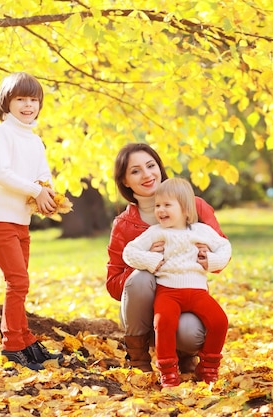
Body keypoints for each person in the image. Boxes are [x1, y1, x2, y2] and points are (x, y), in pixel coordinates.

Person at [106, 143, 228, 375]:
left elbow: (222, 251)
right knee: (141, 278)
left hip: (185, 299)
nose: (147, 175)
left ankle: (185, 356)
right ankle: (138, 358)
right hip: (142, 313)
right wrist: (145, 260)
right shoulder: (123, 224)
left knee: (191, 334)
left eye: (151, 166)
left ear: (160, 168)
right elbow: (113, 285)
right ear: (125, 181)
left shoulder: (195, 205)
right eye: (135, 171)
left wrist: (207, 257)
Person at [0, 72, 64, 371]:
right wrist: (35, 190)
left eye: (33, 100)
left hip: (20, 220)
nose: (28, 105)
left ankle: (25, 340)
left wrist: (48, 195)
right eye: (20, 99)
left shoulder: (35, 140)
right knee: (18, 282)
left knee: (20, 284)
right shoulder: (3, 133)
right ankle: (11, 346)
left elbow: (42, 176)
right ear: (7, 102)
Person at [123, 178, 231, 387]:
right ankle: (168, 370)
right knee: (163, 323)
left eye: (167, 205)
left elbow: (225, 247)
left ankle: (208, 365)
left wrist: (211, 260)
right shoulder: (156, 232)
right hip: (168, 291)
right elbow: (129, 252)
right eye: (157, 206)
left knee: (219, 321)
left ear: (185, 209)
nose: (160, 210)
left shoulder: (201, 231)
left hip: (198, 292)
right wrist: (151, 260)